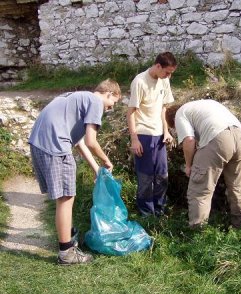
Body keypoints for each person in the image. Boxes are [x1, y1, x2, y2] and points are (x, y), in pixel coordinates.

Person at [28, 79, 121, 265]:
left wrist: (97, 169)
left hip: (38, 143)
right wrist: (105, 160)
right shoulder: (95, 102)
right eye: (114, 103)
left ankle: (68, 236)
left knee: (64, 198)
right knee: (66, 198)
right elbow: (91, 142)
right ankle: (67, 253)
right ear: (109, 93)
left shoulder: (77, 97)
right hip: (55, 146)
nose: (110, 108)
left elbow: (78, 143)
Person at [165, 99, 241, 228]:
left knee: (199, 190)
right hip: (239, 136)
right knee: (237, 186)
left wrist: (188, 165)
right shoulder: (203, 105)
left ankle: (198, 233)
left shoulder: (180, 113)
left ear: (173, 121)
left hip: (218, 138)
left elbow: (189, 140)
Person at [127, 52, 177, 217]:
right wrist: (134, 139)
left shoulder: (164, 81)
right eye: (167, 72)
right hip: (143, 134)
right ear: (157, 66)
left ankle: (160, 210)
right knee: (146, 177)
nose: (169, 76)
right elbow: (131, 112)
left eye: (171, 73)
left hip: (159, 136)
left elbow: (163, 108)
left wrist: (166, 131)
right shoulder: (139, 81)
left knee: (162, 175)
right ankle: (146, 214)